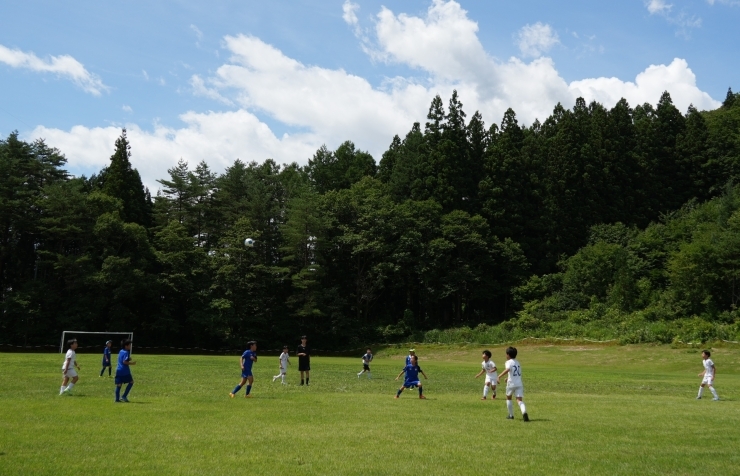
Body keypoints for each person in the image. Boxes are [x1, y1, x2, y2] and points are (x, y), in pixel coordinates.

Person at [497, 346, 529, 421]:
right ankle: (524, 412)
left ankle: (511, 415)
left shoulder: (508, 362)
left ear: (508, 354)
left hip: (511, 384)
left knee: (508, 398)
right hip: (519, 383)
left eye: (506, 354)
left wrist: (499, 376)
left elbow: (508, 369)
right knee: (519, 400)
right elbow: (516, 373)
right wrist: (508, 378)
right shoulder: (518, 363)